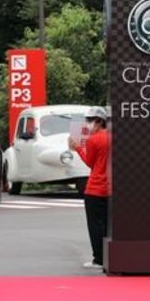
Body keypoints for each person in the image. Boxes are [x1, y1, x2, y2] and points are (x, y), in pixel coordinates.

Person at [68, 106, 110, 270]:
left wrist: (77, 147)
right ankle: (107, 256)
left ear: (100, 122)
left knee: (94, 226)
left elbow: (90, 162)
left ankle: (98, 258)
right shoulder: (112, 137)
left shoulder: (94, 140)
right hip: (109, 188)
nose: (88, 124)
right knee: (107, 225)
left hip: (94, 188)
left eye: (91, 120)